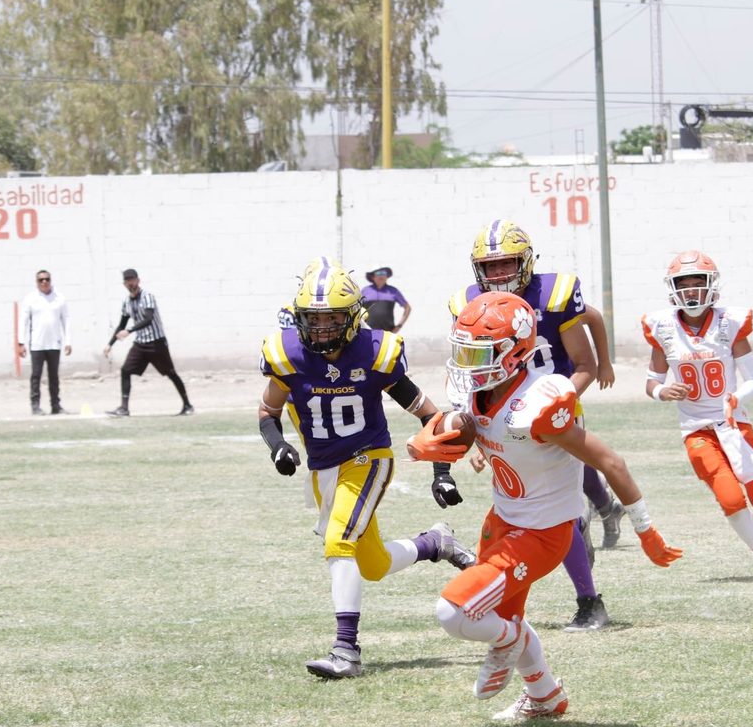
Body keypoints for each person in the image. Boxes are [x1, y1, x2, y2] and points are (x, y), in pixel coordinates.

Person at [408, 291, 681, 720]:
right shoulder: (478, 389)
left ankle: (510, 641)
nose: (468, 364)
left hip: (542, 534)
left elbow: (610, 462)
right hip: (502, 519)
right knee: (504, 613)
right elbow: (473, 426)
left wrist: (646, 530)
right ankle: (545, 696)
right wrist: (441, 442)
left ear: (514, 353)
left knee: (454, 611)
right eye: (464, 351)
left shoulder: (538, 403)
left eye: (479, 354)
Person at [258, 262, 474, 680]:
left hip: (368, 457)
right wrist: (278, 446)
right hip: (324, 469)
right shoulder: (287, 355)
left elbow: (431, 417)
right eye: (313, 319)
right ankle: (436, 543)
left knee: (338, 542)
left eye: (331, 318)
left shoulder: (376, 352)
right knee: (372, 564)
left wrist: (441, 471)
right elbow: (268, 411)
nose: (321, 328)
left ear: (352, 317)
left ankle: (346, 650)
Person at [449, 219, 624, 632]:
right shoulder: (469, 302)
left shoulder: (554, 293)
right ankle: (592, 520)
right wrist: (478, 430)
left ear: (525, 262)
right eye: (490, 266)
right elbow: (467, 371)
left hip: (549, 407)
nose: (498, 273)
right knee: (527, 505)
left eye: (506, 263)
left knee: (554, 508)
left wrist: (552, 406)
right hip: (501, 412)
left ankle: (589, 599)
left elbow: (583, 362)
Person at [643, 251, 753, 583]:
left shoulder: (729, 322)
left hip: (733, 422)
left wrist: (735, 398)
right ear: (673, 288)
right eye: (683, 284)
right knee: (730, 499)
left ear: (711, 286)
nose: (691, 291)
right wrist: (662, 391)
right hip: (695, 429)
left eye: (697, 283)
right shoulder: (662, 327)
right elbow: (651, 381)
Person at [103, 269, 194, 417]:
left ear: (138, 281)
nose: (130, 283)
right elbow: (121, 325)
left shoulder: (148, 297)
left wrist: (129, 330)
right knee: (125, 370)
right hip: (140, 344)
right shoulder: (126, 302)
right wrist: (110, 344)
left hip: (156, 343)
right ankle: (124, 408)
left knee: (171, 373)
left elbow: (148, 319)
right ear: (124, 284)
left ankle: (187, 405)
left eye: (132, 280)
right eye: (127, 281)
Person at [17, 269, 71, 415]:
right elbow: (23, 321)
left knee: (54, 376)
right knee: (36, 375)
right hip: (37, 344)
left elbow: (65, 319)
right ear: (37, 282)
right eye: (41, 280)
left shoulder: (59, 298)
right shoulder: (30, 298)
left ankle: (55, 405)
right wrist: (21, 343)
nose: (44, 282)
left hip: (54, 343)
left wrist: (68, 341)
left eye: (47, 279)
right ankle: (35, 405)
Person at [361, 267, 411, 333]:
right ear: (373, 277)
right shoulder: (365, 290)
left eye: (384, 273)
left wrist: (399, 326)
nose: (381, 276)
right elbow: (357, 309)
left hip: (388, 332)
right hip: (367, 331)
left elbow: (407, 308)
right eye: (378, 273)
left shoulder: (393, 291)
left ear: (387, 277)